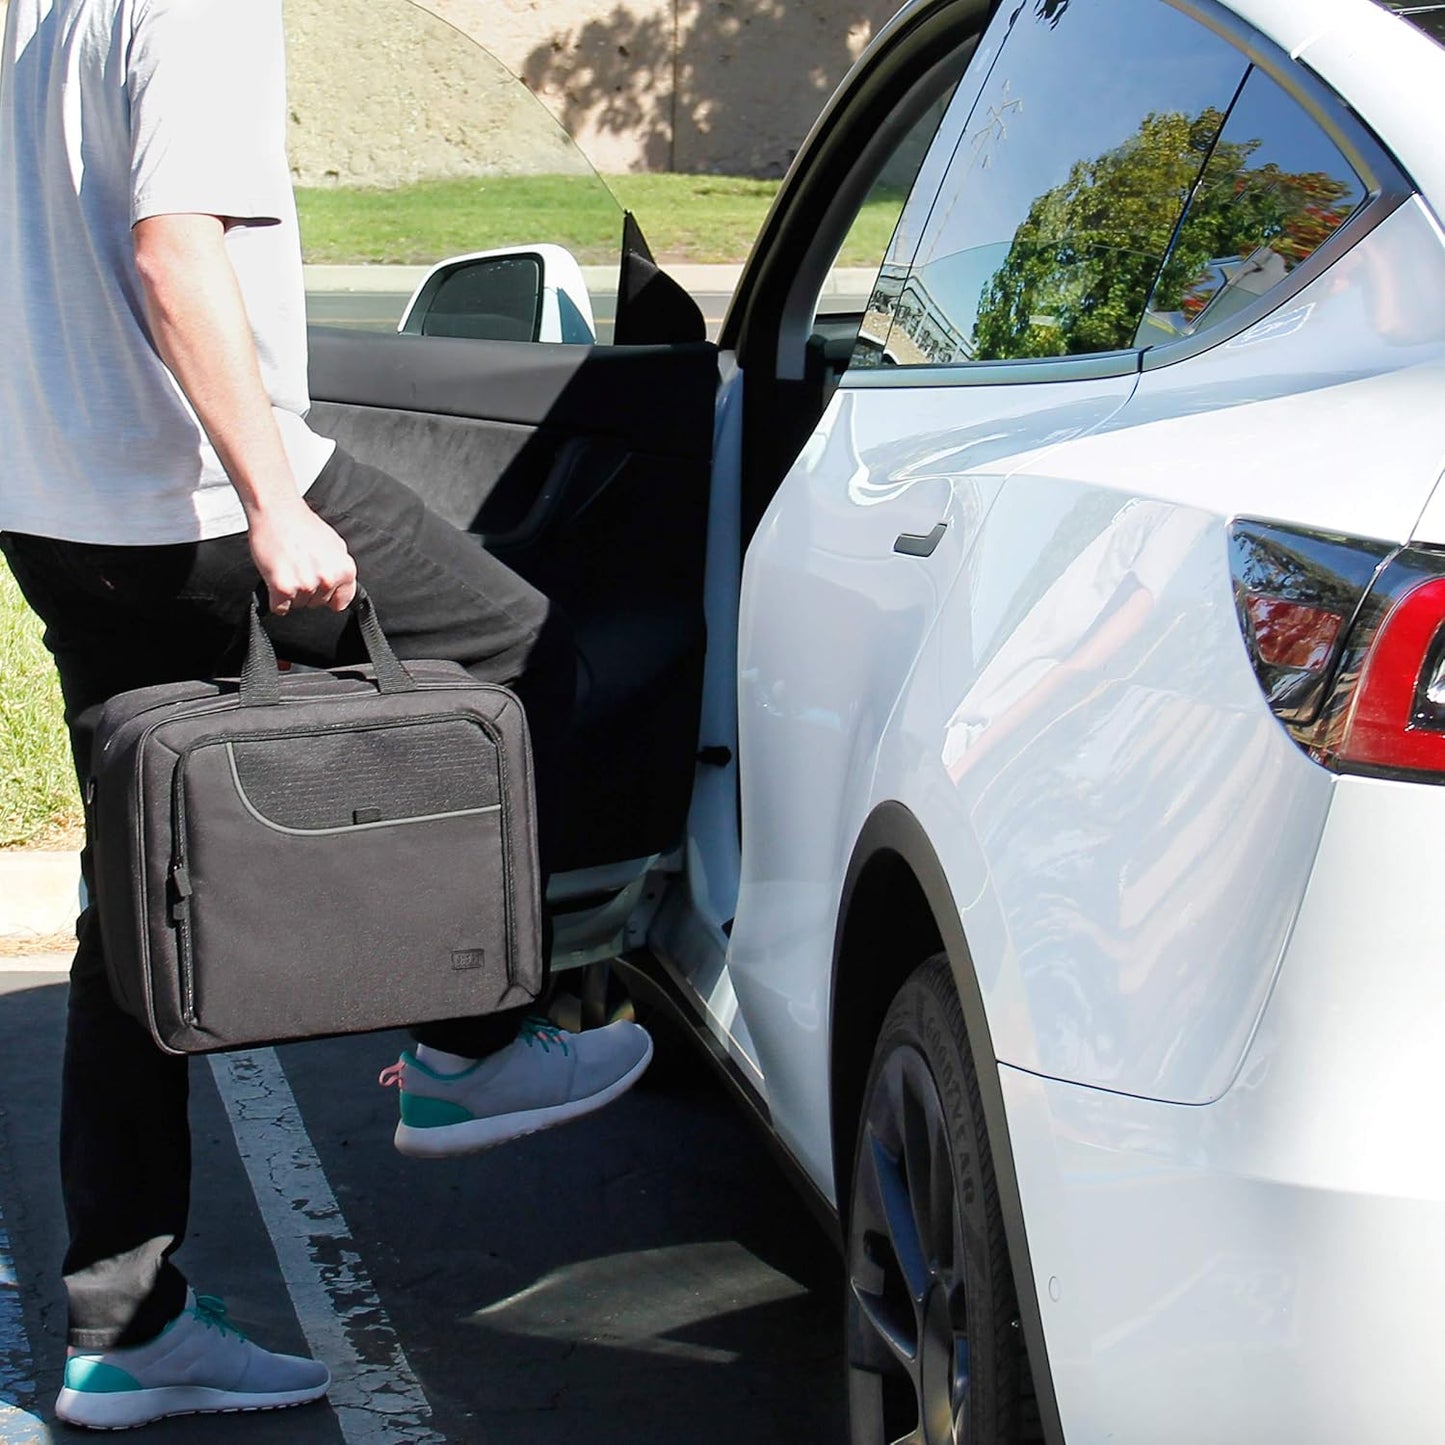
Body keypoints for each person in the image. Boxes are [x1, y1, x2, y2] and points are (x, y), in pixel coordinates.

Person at [0, 0, 652, 1429]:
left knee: (136, 904)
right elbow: (173, 250)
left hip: (54, 501)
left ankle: (126, 1324)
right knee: (518, 653)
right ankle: (468, 1048)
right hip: (187, 493)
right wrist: (272, 499)